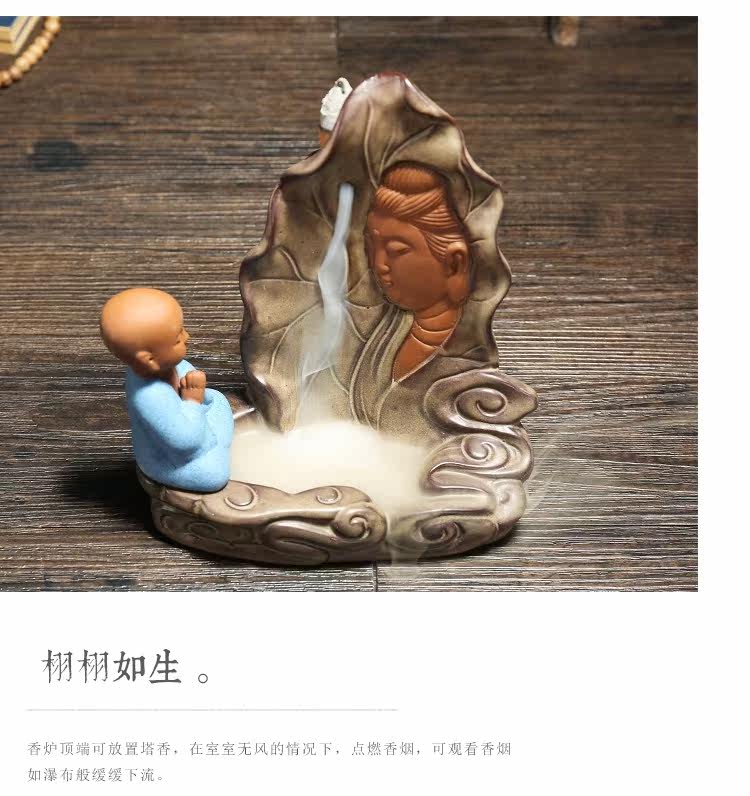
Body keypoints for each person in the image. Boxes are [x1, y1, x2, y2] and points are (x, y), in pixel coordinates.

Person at [100, 287, 233, 492]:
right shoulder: (150, 395)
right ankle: (214, 449)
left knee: (218, 399)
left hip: (192, 425)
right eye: (177, 339)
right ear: (149, 360)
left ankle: (215, 444)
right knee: (214, 475)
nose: (187, 336)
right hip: (171, 458)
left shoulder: (169, 366)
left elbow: (190, 381)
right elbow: (184, 442)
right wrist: (192, 400)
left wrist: (195, 393)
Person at [365, 163, 471, 381]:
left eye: (396, 250)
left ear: (454, 262)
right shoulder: (379, 336)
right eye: (372, 247)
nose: (379, 264)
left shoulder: (465, 362)